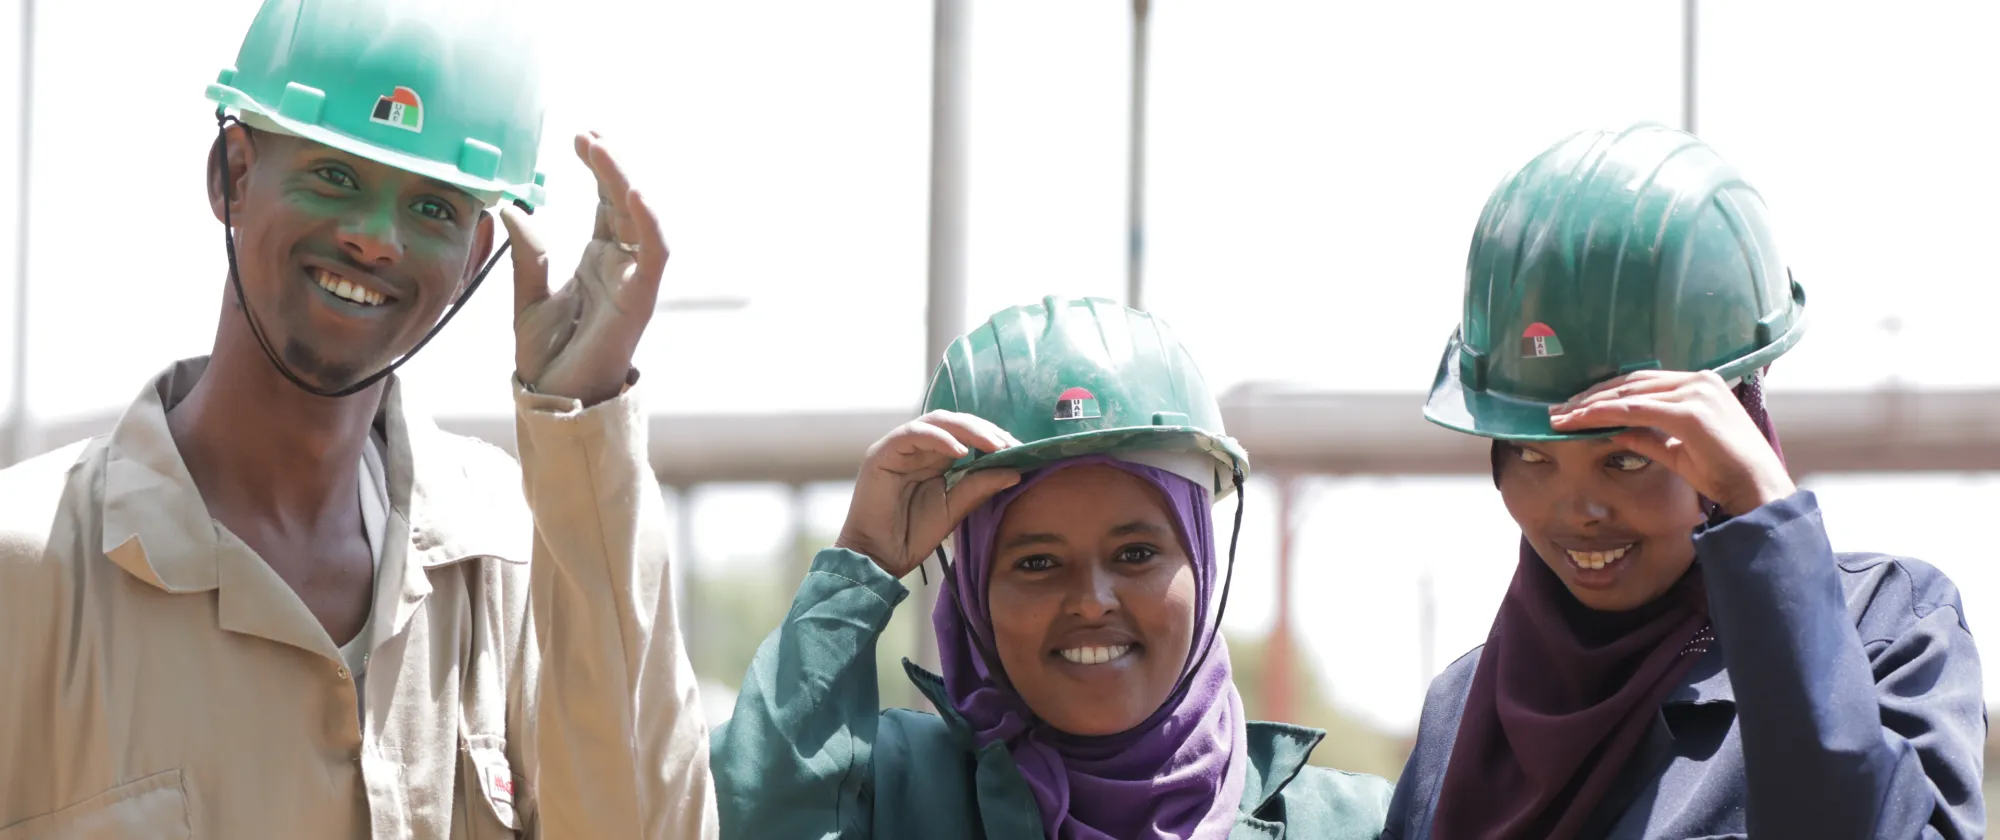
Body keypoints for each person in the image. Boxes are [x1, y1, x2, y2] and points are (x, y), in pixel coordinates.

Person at [0, 0, 716, 836]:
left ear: (474, 258)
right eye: (335, 176)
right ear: (233, 175)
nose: (377, 240)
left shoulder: (523, 558)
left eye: (432, 208)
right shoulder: (30, 570)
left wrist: (583, 424)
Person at [1385, 123, 1986, 839]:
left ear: (1736, 432)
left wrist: (1766, 520)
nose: (1578, 510)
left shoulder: (1883, 634)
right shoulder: (1463, 714)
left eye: (1626, 458)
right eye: (1532, 456)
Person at [709, 295, 1393, 839]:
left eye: (1136, 554)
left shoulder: (1353, 826)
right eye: (1037, 562)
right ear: (973, 592)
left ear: (1203, 563)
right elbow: (745, 815)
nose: (1092, 601)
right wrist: (863, 557)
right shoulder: (889, 795)